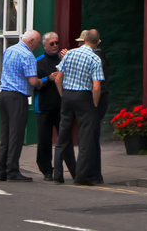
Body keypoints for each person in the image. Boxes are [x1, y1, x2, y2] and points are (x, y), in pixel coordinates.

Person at [53, 28, 104, 185]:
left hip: (68, 95)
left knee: (62, 136)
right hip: (84, 97)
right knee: (86, 138)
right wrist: (94, 104)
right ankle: (81, 177)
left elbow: (58, 78)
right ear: (97, 42)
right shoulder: (95, 59)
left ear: (85, 39)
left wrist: (63, 95)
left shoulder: (69, 53)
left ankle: (58, 175)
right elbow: (96, 87)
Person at [0, 28, 42, 182]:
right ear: (32, 41)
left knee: (6, 134)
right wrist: (42, 82)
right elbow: (33, 81)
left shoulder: (10, 50)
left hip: (4, 95)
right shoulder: (28, 55)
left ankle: (1, 169)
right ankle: (12, 170)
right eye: (38, 43)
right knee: (16, 134)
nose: (38, 46)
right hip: (17, 97)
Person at [35, 31, 76, 182]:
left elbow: (72, 75)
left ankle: (73, 169)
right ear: (45, 45)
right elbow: (34, 84)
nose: (55, 46)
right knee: (44, 140)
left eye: (57, 43)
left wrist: (66, 60)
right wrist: (48, 78)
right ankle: (46, 170)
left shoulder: (64, 59)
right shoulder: (39, 61)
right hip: (44, 107)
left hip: (61, 106)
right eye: (51, 44)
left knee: (65, 139)